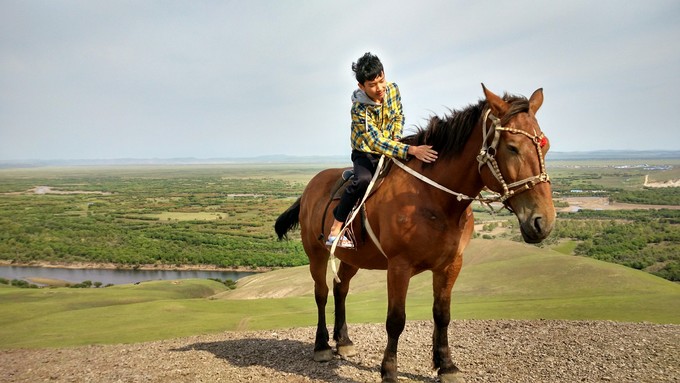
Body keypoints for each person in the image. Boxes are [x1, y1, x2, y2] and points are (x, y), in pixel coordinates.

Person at [327, 52, 438, 248]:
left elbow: (398, 116)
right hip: (367, 152)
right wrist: (410, 149)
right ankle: (336, 229)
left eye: (381, 80)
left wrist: (396, 136)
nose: (379, 88)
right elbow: (375, 141)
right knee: (362, 181)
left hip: (393, 145)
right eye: (372, 85)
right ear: (361, 86)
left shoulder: (393, 90)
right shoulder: (359, 110)